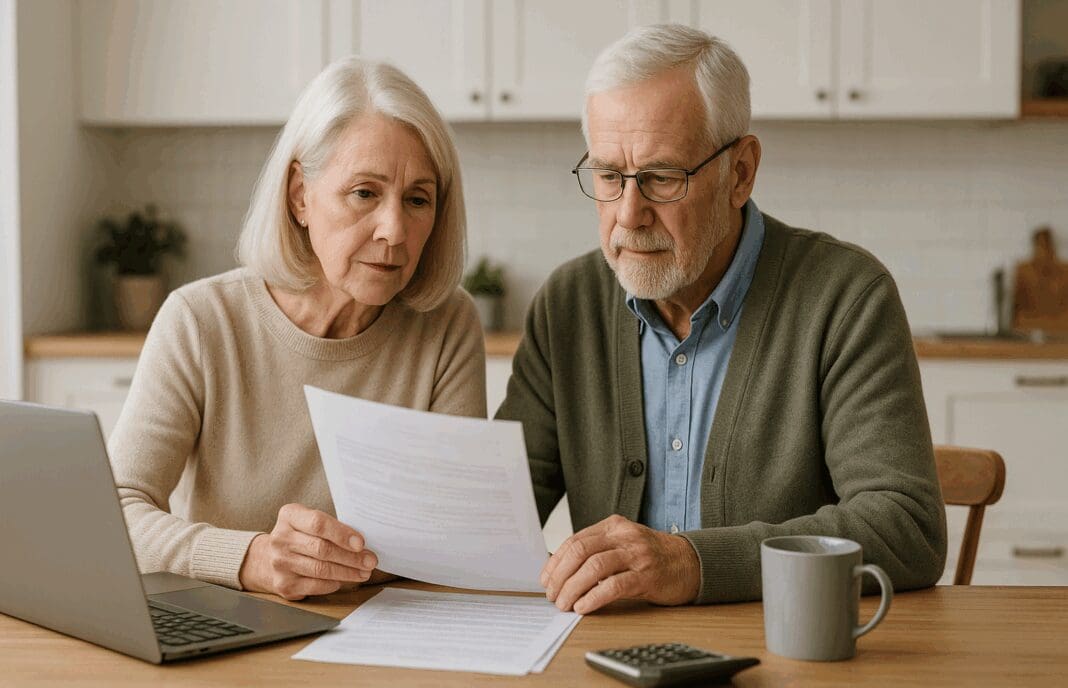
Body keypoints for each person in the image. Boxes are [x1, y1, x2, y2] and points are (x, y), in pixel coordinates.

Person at [496, 24, 947, 614]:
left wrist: (693, 561)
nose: (629, 215)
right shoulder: (568, 304)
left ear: (740, 173)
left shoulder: (845, 296)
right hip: (607, 663)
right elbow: (497, 508)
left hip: (788, 666)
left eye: (661, 177)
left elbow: (907, 526)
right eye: (608, 176)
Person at [108, 57, 486, 601]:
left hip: (384, 638)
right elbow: (118, 510)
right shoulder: (200, 321)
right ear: (299, 196)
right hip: (232, 636)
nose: (395, 229)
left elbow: (458, 528)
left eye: (417, 199)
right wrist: (249, 558)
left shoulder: (448, 325)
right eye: (364, 192)